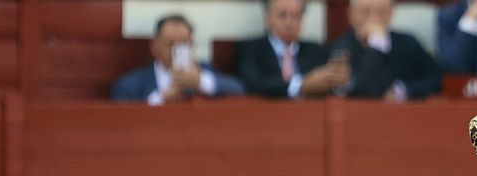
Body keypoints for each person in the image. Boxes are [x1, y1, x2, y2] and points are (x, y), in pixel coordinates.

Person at [112, 14, 243, 104]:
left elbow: (238, 89)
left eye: (183, 44)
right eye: (170, 44)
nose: (177, 51)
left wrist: (201, 81)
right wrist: (161, 99)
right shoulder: (130, 85)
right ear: (154, 46)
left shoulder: (204, 71)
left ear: (193, 45)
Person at [330, 0, 442, 101]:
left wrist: (402, 90)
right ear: (351, 14)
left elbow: (435, 80)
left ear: (391, 12)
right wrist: (377, 45)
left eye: (381, 12)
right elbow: (364, 90)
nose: (373, 18)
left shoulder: (408, 43)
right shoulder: (341, 48)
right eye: (366, 12)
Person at [237, 0, 348, 99]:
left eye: (295, 16)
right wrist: (301, 85)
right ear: (267, 17)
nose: (289, 22)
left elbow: (333, 88)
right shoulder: (250, 49)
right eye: (282, 15)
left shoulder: (316, 51)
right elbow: (252, 84)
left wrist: (338, 80)